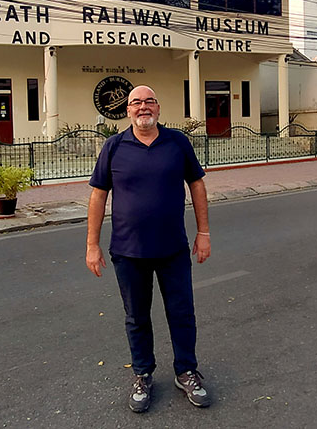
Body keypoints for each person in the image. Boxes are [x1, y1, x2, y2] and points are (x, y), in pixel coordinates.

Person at [86, 85, 212, 413]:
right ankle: (142, 373)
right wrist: (92, 244)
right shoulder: (114, 146)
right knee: (136, 317)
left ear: (158, 107)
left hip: (173, 249)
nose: (143, 107)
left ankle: (186, 371)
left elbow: (197, 184)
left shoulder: (177, 142)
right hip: (128, 251)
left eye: (149, 101)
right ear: (127, 110)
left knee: (182, 313)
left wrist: (203, 232)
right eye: (136, 102)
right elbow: (98, 195)